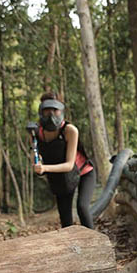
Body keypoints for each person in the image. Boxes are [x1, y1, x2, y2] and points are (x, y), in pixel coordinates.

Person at [33, 93, 96, 229]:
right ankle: (71, 242)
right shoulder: (37, 132)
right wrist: (39, 165)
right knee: (65, 219)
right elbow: (38, 155)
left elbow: (69, 165)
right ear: (41, 111)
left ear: (61, 110)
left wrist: (44, 168)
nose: (51, 114)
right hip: (62, 178)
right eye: (47, 110)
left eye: (55, 110)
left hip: (83, 172)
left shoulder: (70, 130)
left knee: (82, 208)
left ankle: (95, 240)